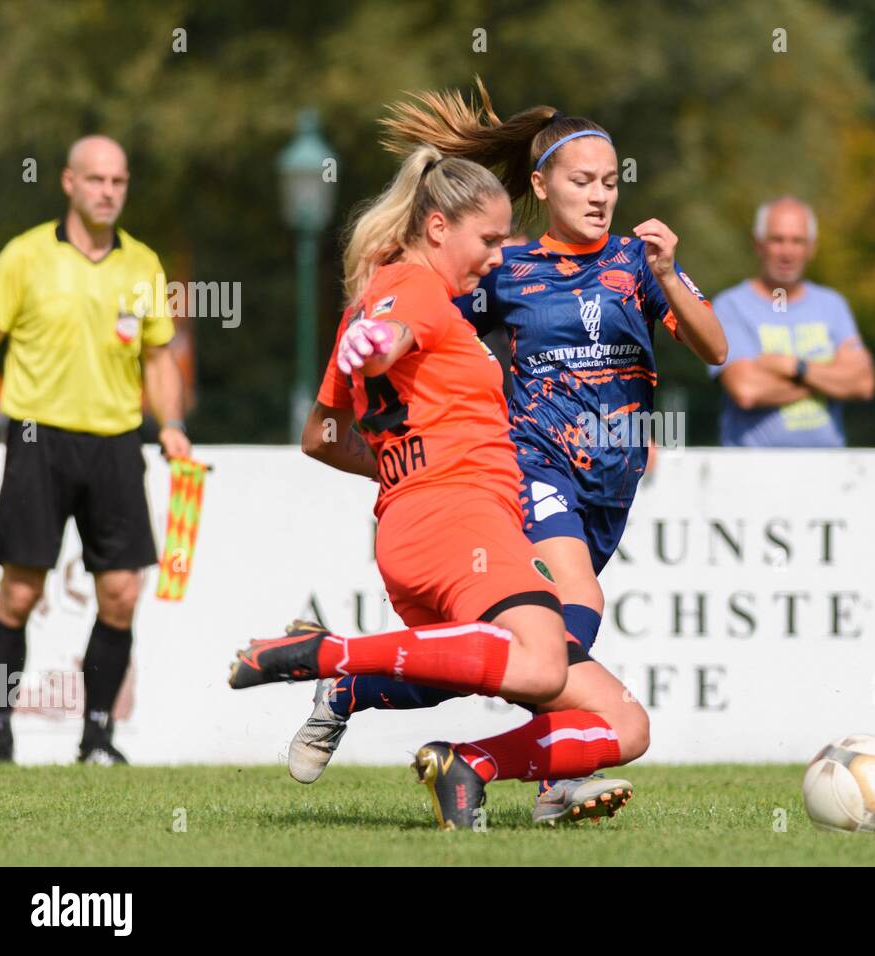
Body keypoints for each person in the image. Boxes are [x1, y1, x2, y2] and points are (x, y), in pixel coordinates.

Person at [280, 82, 727, 822]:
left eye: (611, 183)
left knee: (513, 657)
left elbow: (716, 347)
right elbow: (422, 309)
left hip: (608, 490)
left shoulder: (637, 263)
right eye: (583, 181)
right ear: (543, 185)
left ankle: (364, 691)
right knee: (575, 611)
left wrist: (671, 271)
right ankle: (547, 778)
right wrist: (379, 347)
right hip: (531, 470)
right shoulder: (509, 267)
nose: (600, 196)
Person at [229, 145, 647, 830]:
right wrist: (380, 343)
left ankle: (467, 766)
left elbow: (320, 435)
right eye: (487, 239)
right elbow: (393, 330)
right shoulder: (413, 287)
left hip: (423, 523)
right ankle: (329, 655)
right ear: (437, 229)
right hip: (458, 522)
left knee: (623, 721)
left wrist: (399, 459)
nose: (496, 256)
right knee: (545, 664)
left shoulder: (405, 297)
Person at [0, 135, 190, 765]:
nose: (107, 191)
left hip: (117, 443)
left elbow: (158, 357)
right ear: (69, 183)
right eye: (95, 179)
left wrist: (172, 423)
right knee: (19, 593)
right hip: (36, 439)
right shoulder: (25, 256)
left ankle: (97, 736)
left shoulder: (143, 264)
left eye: (118, 181)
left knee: (122, 593)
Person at [711, 196, 875, 446]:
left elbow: (863, 383)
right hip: (751, 475)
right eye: (777, 240)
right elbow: (746, 390)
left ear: (812, 248)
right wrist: (830, 378)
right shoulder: (730, 306)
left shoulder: (832, 305)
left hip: (830, 475)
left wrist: (794, 367)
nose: (787, 252)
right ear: (758, 245)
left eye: (797, 241)